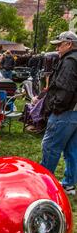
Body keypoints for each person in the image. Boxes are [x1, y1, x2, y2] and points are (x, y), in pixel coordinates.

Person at [41, 31, 77, 196]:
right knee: (71, 149)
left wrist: (56, 107)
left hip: (65, 112)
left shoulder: (70, 61)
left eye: (59, 44)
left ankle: (44, 184)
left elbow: (65, 88)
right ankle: (69, 184)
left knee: (50, 147)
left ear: (69, 44)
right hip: (73, 111)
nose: (57, 48)